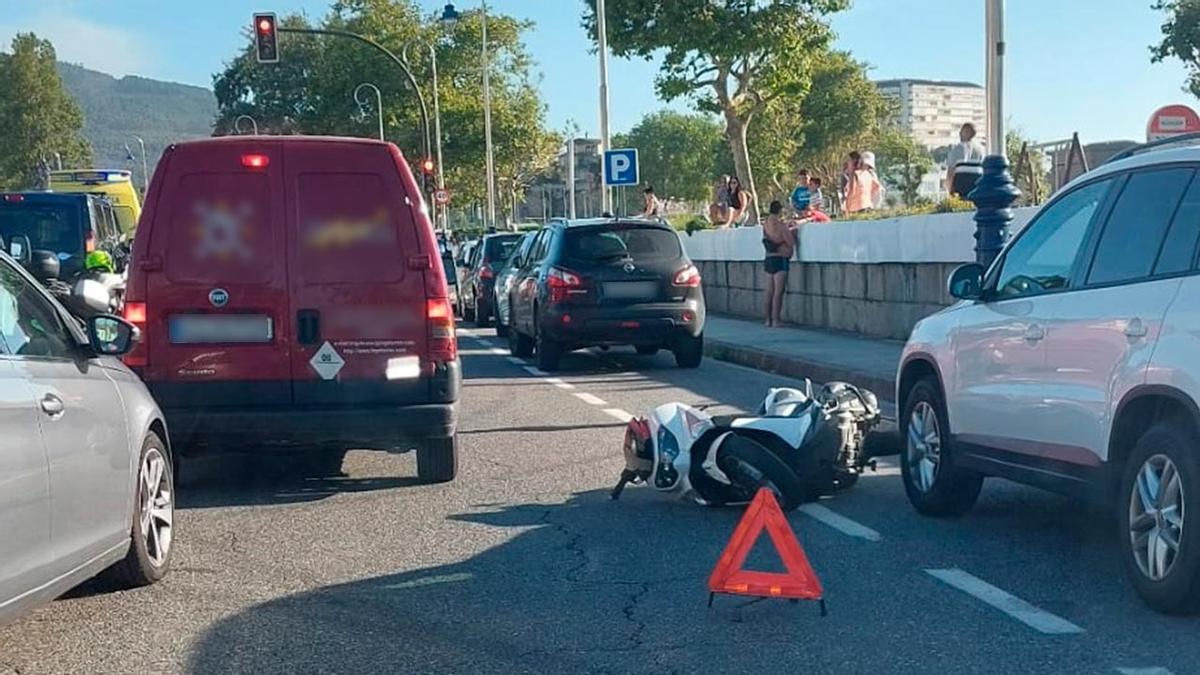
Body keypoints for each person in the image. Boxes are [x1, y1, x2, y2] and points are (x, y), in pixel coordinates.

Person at [762, 200, 795, 328]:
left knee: (769, 291)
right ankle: (776, 319)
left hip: (769, 259)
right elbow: (790, 242)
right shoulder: (780, 226)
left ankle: (767, 319)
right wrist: (792, 231)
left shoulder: (765, 225)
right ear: (780, 210)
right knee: (778, 292)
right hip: (780, 260)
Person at [945, 122, 986, 197]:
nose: (959, 133)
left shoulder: (957, 149)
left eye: (962, 131)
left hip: (961, 188)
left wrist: (950, 191)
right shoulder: (982, 150)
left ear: (967, 133)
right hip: (976, 188)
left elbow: (950, 173)